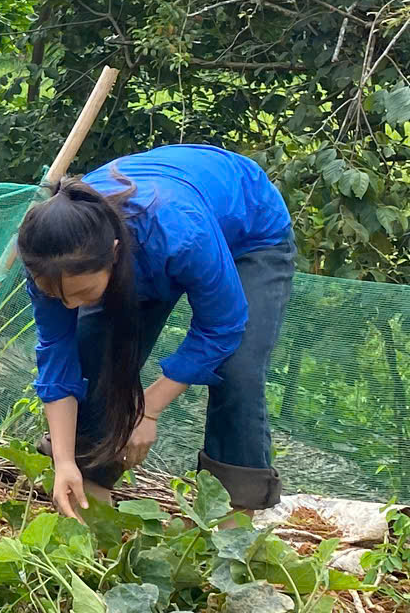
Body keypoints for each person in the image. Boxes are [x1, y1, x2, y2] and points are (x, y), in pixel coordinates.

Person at [17, 146, 298, 518]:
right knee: (92, 348)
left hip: (248, 230)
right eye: (59, 296)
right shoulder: (50, 260)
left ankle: (235, 529)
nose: (70, 306)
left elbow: (222, 325)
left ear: (114, 255)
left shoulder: (179, 233)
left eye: (83, 293)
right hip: (157, 237)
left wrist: (146, 410)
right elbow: (58, 357)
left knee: (237, 370)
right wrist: (65, 461)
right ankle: (90, 498)